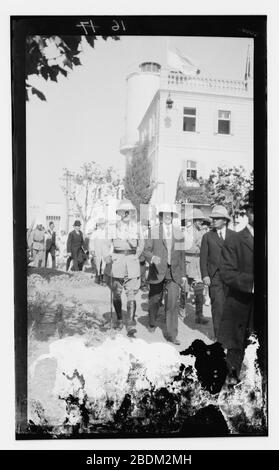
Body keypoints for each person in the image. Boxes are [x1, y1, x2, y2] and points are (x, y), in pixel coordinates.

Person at [217, 192, 254, 380]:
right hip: (239, 310)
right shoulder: (235, 239)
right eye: (255, 210)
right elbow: (226, 273)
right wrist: (252, 284)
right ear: (248, 212)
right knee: (234, 363)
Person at [143, 203, 186, 345]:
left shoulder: (179, 232)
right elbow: (146, 250)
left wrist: (184, 275)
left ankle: (172, 334)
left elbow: (182, 256)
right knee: (155, 299)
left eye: (170, 214)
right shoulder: (154, 231)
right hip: (157, 270)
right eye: (165, 214)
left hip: (173, 272)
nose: (168, 217)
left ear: (173, 217)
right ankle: (152, 321)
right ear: (161, 216)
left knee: (172, 303)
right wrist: (152, 258)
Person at [104, 200, 144, 336]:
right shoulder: (113, 227)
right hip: (117, 262)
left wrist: (136, 256)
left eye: (129, 212)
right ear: (120, 213)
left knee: (131, 292)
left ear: (132, 213)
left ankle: (130, 324)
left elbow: (141, 244)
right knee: (116, 292)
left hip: (132, 262)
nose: (126, 214)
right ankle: (120, 319)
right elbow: (106, 244)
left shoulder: (137, 228)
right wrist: (108, 256)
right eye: (124, 212)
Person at [200, 205, 234, 339]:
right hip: (215, 277)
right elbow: (203, 258)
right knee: (218, 307)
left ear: (225, 220)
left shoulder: (234, 236)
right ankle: (219, 337)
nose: (213, 220)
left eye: (217, 218)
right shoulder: (207, 237)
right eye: (212, 218)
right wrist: (205, 275)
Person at [183, 208, 209, 325]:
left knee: (199, 289)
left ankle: (199, 315)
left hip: (198, 262)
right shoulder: (186, 232)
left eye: (201, 220)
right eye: (198, 220)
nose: (200, 222)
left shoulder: (203, 233)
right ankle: (181, 311)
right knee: (184, 288)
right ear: (193, 220)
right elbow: (181, 249)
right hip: (187, 262)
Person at [89, 218, 110, 284]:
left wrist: (109, 250)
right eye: (101, 224)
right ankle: (98, 278)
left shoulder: (106, 233)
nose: (103, 225)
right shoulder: (95, 233)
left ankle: (103, 279)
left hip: (105, 251)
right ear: (99, 225)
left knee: (104, 265)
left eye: (104, 224)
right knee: (98, 265)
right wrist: (92, 250)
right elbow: (91, 243)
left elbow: (109, 243)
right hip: (97, 251)